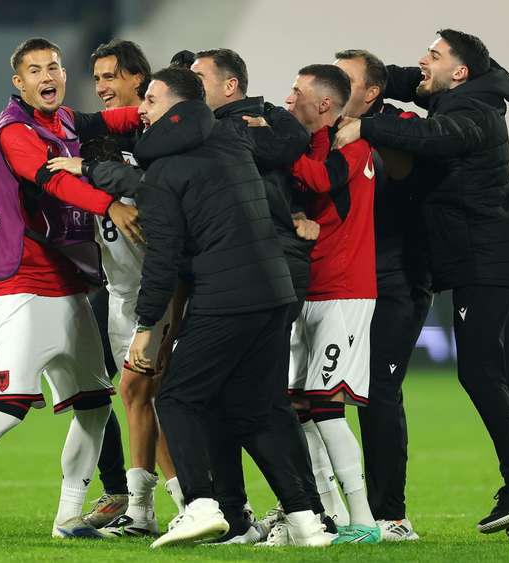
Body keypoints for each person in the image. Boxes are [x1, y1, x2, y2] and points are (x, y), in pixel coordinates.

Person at [335, 29, 509, 536]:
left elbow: (433, 139)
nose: (422, 62)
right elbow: (394, 80)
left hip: (483, 262)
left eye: (434, 56)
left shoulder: (475, 114)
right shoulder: (457, 95)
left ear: (461, 71)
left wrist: (365, 127)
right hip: (489, 258)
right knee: (504, 373)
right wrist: (365, 81)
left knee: (478, 372)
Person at [0, 37, 141, 541]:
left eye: (53, 66)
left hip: (68, 283)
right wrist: (111, 205)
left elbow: (119, 121)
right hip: (22, 284)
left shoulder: (66, 123)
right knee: (9, 406)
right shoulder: (15, 130)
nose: (47, 76)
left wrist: (172, 110)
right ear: (19, 83)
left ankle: (69, 517)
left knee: (94, 404)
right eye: (34, 70)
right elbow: (55, 183)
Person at [124, 66, 331, 548]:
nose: (141, 110)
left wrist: (145, 327)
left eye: (150, 101)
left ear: (176, 110)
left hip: (228, 296)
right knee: (256, 407)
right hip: (276, 290)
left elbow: (163, 260)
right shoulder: (234, 143)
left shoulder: (164, 174)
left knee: (176, 398)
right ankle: (305, 521)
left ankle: (200, 506)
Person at [190, 48, 334, 546]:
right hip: (255, 267)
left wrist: (252, 125)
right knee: (243, 396)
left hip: (266, 268)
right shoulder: (232, 126)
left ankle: (298, 512)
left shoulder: (243, 126)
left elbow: (283, 141)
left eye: (199, 78)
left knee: (252, 397)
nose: (191, 87)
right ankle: (279, 514)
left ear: (230, 87)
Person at [50, 38, 186, 536]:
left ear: (139, 80)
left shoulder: (163, 142)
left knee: (153, 397)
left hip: (165, 290)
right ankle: (145, 504)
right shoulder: (92, 142)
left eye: (112, 77)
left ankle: (194, 502)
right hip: (121, 291)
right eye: (99, 79)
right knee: (135, 396)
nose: (103, 87)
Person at [334, 48, 434, 542]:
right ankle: (323, 508)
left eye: (345, 80)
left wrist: (366, 129)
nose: (333, 86)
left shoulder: (396, 123)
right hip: (340, 282)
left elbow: (403, 166)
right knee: (314, 395)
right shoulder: (325, 129)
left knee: (378, 392)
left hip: (397, 279)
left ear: (373, 93)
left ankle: (391, 515)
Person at [285, 64, 380, 544]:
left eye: (296, 91)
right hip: (308, 288)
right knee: (299, 404)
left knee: (326, 403)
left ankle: (363, 519)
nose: (287, 98)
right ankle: (329, 512)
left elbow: (322, 181)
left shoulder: (352, 146)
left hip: (344, 289)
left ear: (324, 103)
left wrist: (273, 145)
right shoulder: (315, 146)